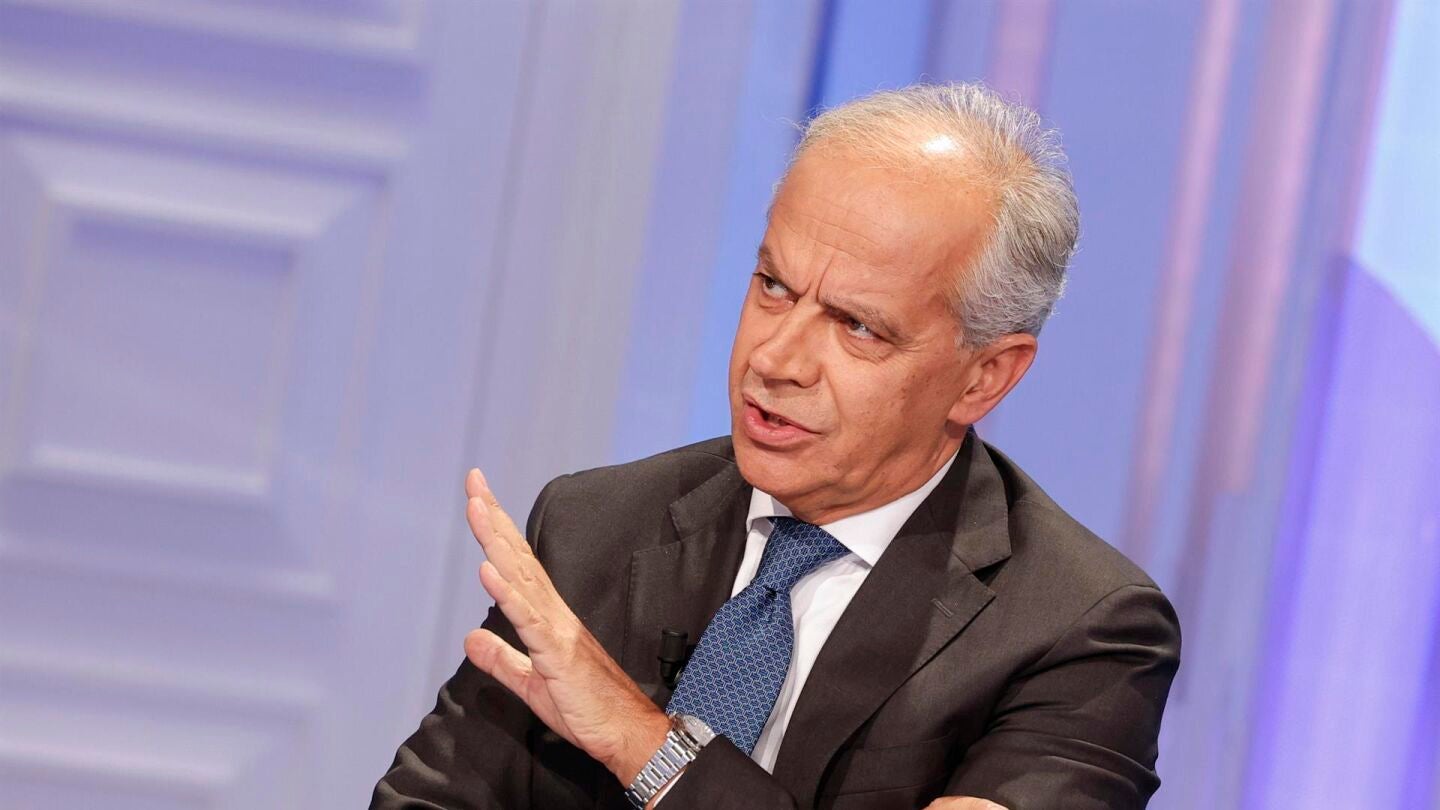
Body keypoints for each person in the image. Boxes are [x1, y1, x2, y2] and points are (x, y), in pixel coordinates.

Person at [371, 82, 1180, 810]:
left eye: (857, 326)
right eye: (774, 287)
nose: (775, 358)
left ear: (983, 377)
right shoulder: (595, 528)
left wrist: (647, 747)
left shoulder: (1079, 634)